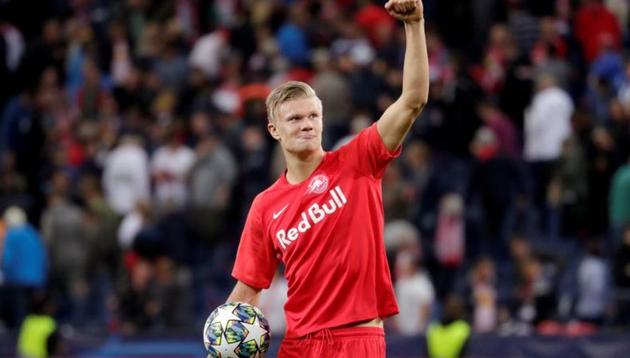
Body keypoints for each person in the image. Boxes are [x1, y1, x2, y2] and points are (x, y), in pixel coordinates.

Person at [225, 0, 429, 357]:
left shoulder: (359, 160)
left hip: (357, 340)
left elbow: (412, 100)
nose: (306, 124)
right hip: (299, 345)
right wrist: (222, 334)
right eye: (294, 119)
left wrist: (415, 25)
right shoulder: (265, 206)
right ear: (274, 129)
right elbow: (249, 288)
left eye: (312, 116)